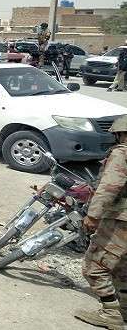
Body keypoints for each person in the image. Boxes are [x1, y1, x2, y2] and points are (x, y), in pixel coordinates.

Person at [74, 115, 127, 329]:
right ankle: (123, 310)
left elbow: (109, 186)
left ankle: (110, 313)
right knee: (121, 268)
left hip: (121, 220)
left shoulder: (122, 153)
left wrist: (93, 215)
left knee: (94, 265)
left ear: (120, 133)